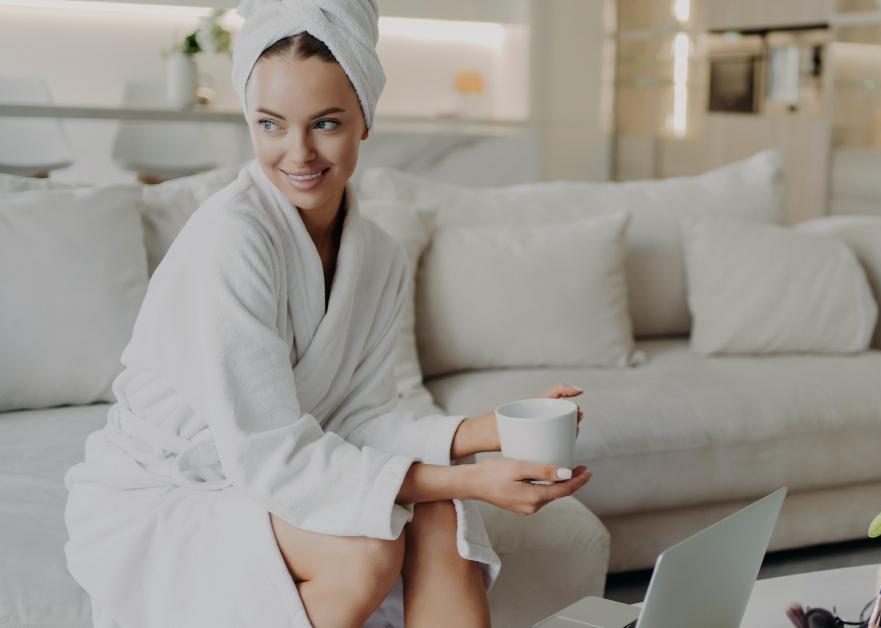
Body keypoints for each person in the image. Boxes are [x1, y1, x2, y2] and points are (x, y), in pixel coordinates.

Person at [61, 1, 592, 626]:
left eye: (326, 123)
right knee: (366, 551)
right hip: (170, 489)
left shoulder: (377, 256)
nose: (298, 152)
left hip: (267, 470)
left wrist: (489, 431)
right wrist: (472, 480)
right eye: (270, 124)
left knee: (437, 513)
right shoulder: (232, 240)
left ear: (365, 118)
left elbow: (358, 418)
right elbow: (270, 454)